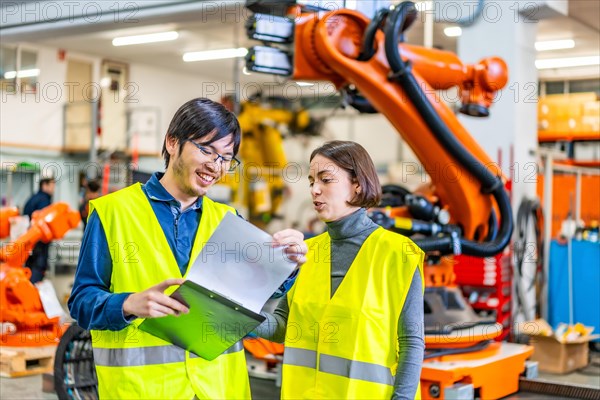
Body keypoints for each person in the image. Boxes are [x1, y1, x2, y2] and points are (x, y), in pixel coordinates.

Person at [68, 98, 307, 399]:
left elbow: (258, 292)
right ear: (172, 142)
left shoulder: (227, 220)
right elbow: (81, 302)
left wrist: (286, 263)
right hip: (142, 391)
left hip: (219, 389)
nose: (215, 166)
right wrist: (127, 304)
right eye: (206, 150)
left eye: (225, 157)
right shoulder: (113, 212)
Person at [257, 140, 425, 399]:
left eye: (326, 180)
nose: (315, 190)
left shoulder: (398, 254)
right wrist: (232, 313)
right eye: (311, 181)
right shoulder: (305, 253)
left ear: (357, 183)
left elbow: (411, 343)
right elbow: (281, 326)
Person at [23, 176, 56, 283]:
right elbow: (45, 223)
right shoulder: (44, 200)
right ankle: (31, 296)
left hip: (28, 241)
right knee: (38, 269)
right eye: (52, 185)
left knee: (29, 268)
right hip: (39, 243)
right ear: (44, 185)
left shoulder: (33, 198)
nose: (53, 188)